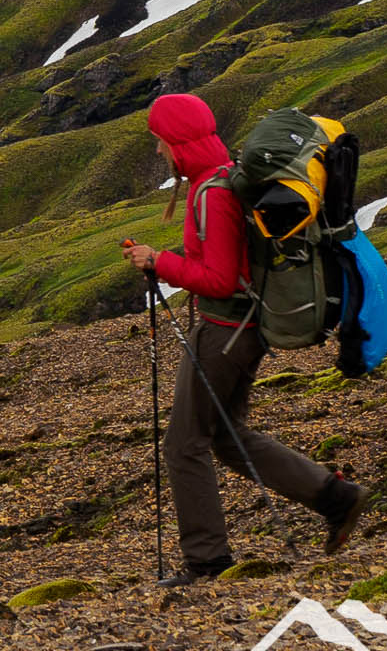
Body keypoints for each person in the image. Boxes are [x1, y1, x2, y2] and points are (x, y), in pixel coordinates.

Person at [122, 93, 368, 586]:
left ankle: (207, 561)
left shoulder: (213, 193)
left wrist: (159, 262)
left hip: (226, 333)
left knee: (183, 445)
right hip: (241, 331)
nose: (156, 152)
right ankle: (336, 498)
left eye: (159, 142)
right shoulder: (219, 179)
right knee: (228, 438)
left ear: (178, 142)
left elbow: (220, 280)